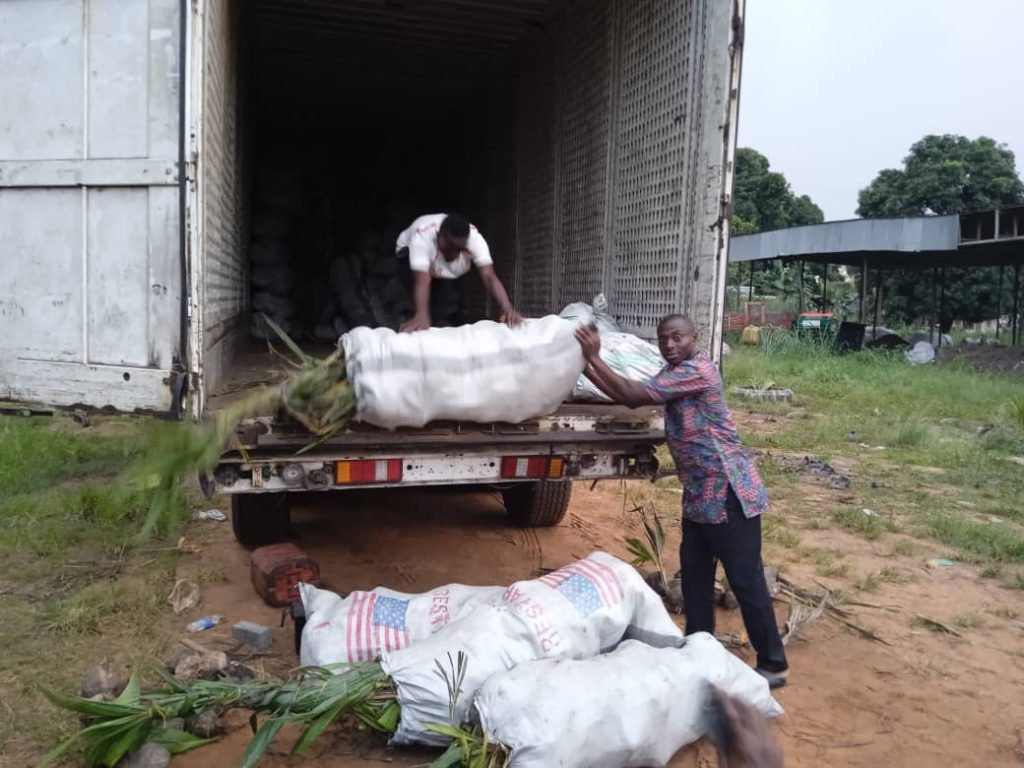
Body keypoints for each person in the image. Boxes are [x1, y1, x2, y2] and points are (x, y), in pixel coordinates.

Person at [575, 314, 789, 688]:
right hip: (699, 497)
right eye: (663, 339)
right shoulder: (670, 373)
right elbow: (627, 393)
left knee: (745, 581)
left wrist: (592, 358)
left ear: (695, 337)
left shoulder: (698, 371)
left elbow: (632, 396)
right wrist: (583, 364)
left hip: (728, 493)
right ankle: (698, 654)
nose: (670, 345)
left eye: (677, 338)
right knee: (694, 581)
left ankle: (773, 663)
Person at [394, 213, 522, 332]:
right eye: (451, 247)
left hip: (436, 259)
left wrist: (507, 308)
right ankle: (406, 317)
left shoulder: (475, 239)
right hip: (407, 251)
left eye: (459, 249)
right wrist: (421, 314)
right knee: (415, 301)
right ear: (439, 236)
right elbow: (422, 281)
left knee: (437, 306)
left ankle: (433, 321)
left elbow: (489, 276)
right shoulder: (422, 237)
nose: (454, 254)